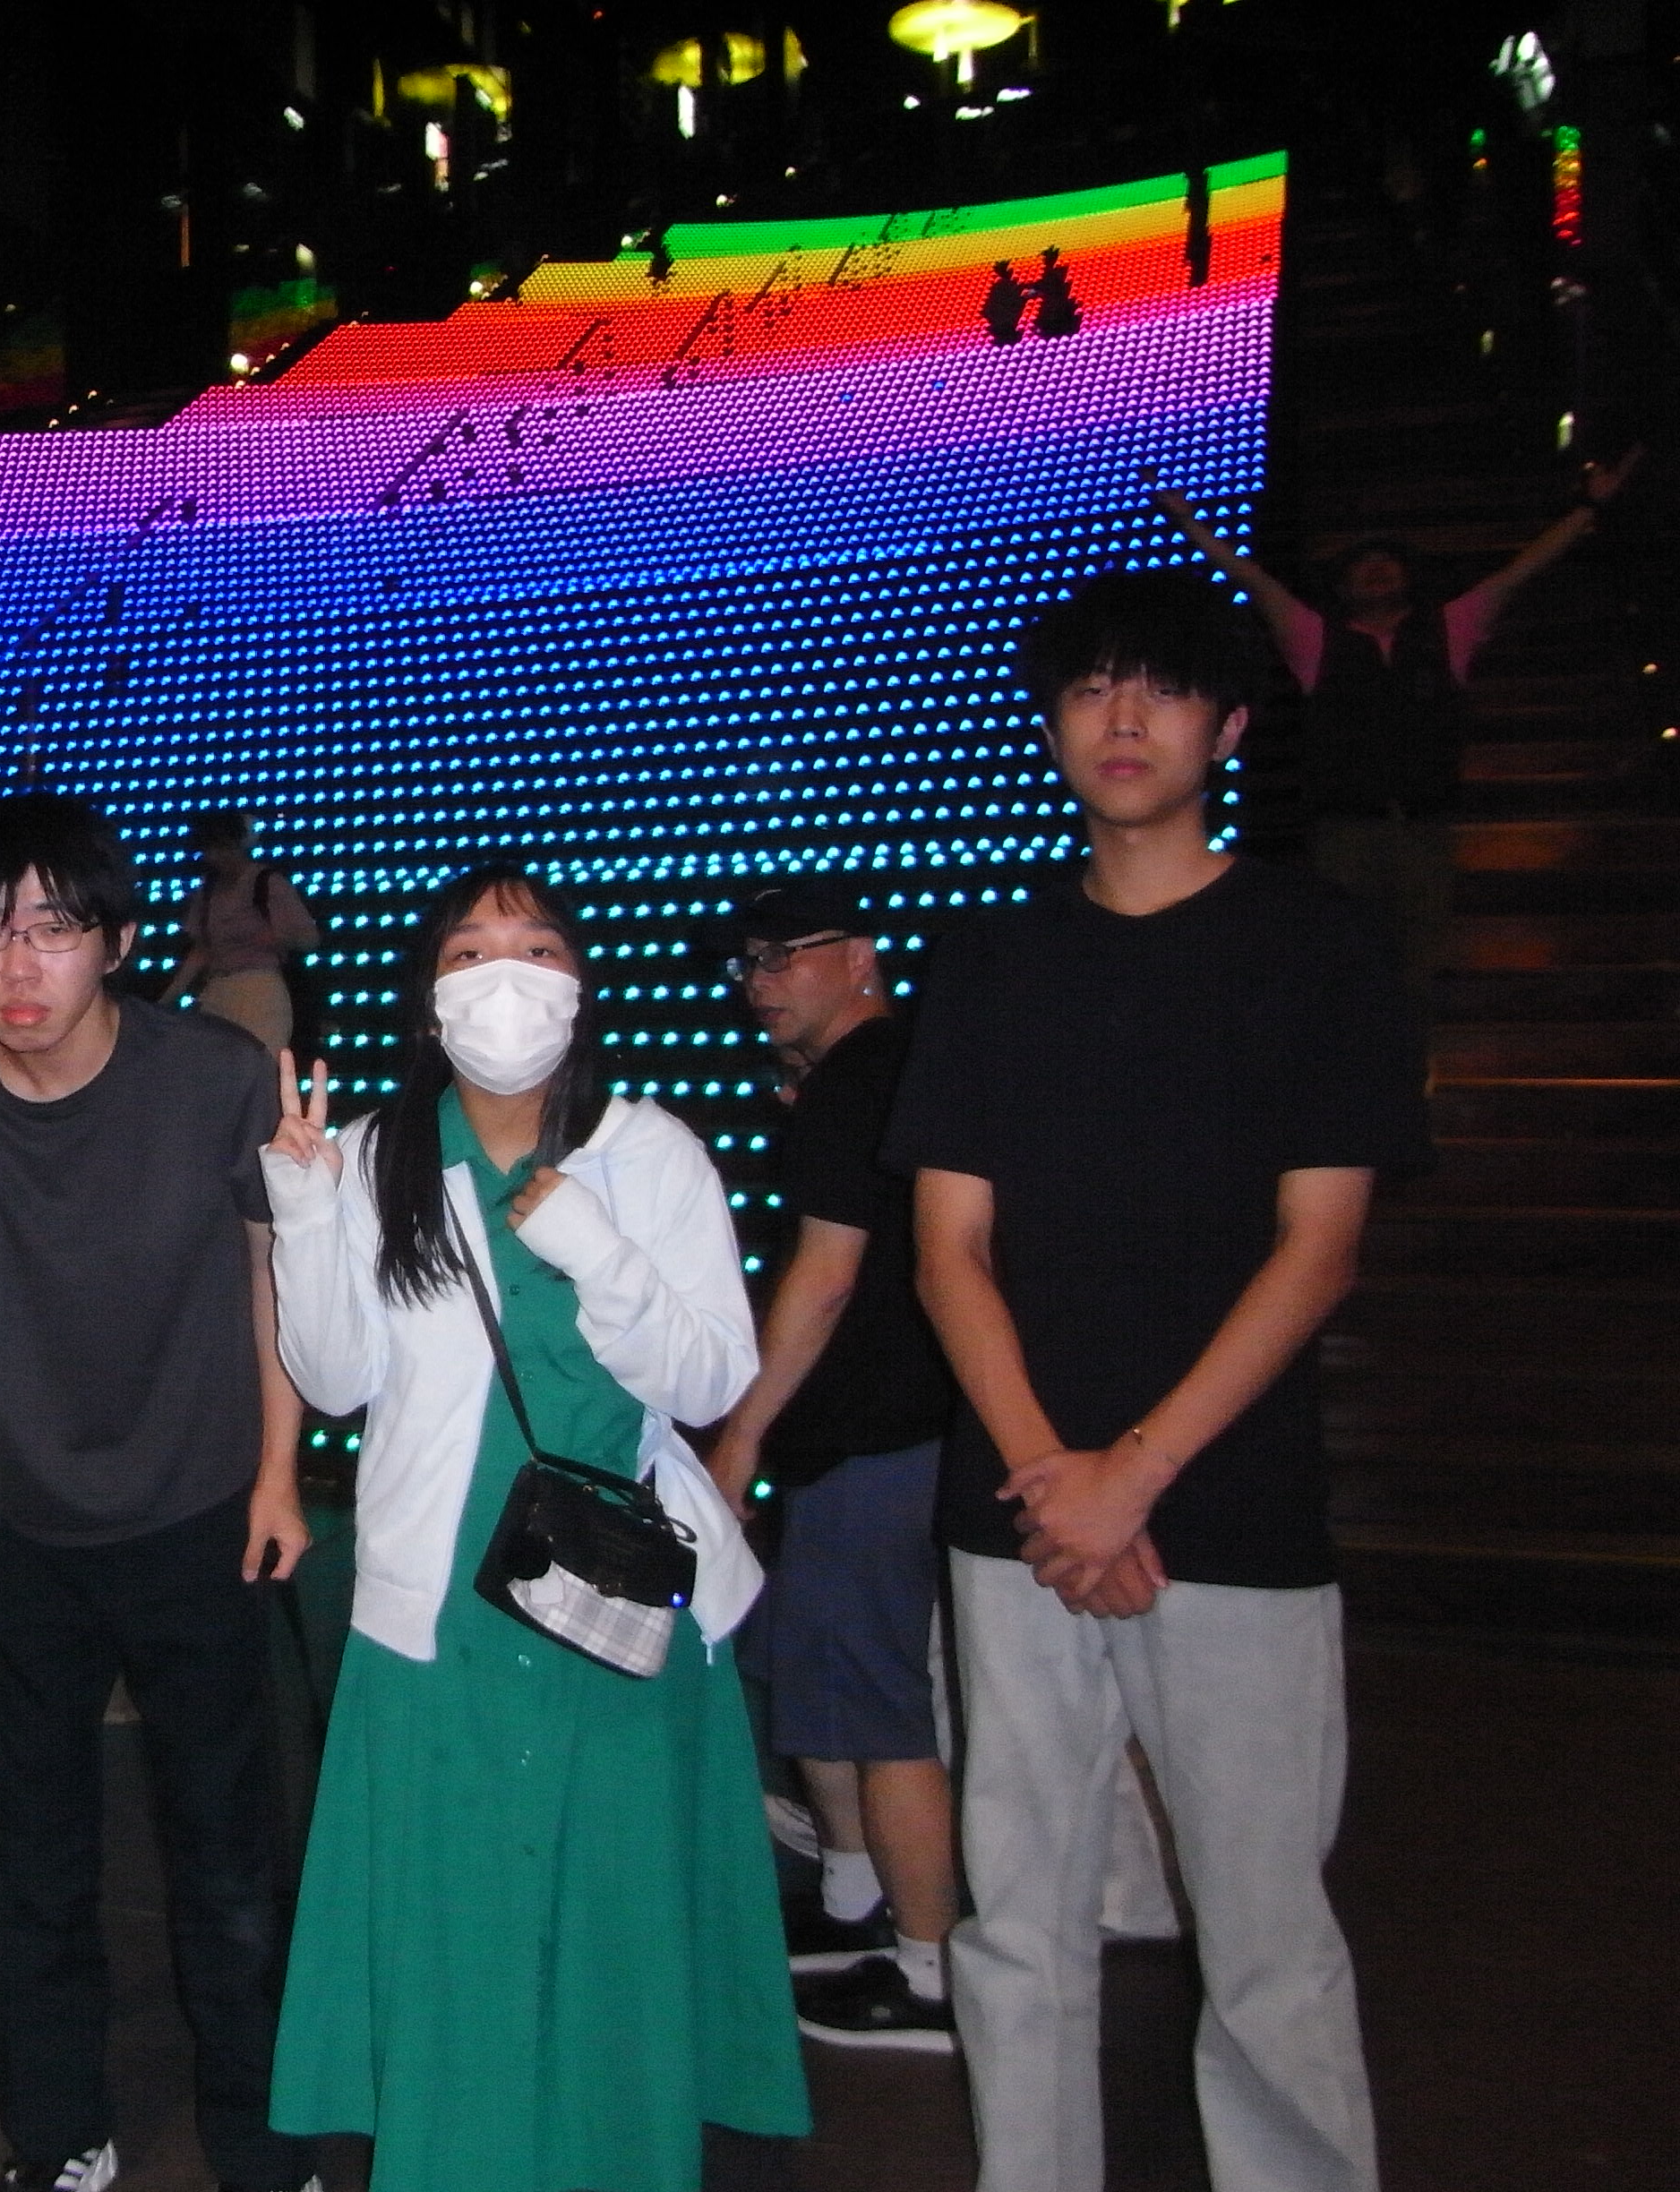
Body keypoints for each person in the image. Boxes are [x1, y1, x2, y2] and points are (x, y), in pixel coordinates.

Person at [886, 567, 1431, 2192]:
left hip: (1230, 1512)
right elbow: (948, 1252)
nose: (1121, 719)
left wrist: (1129, 1474)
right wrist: (1055, 1478)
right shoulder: (988, 958)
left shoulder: (1318, 944)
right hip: (1017, 1516)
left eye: (1162, 688)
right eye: (1088, 688)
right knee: (1016, 1920)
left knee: (1264, 1936)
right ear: (1050, 723)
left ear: (1228, 725)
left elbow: (1318, 1249)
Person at [262, 863, 807, 2192]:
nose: (504, 977)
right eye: (469, 952)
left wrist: (595, 1249)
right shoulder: (378, 1155)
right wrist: (304, 1210)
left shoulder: (649, 1151)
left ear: (578, 985)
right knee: (453, 1918)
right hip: (438, 1595)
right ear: (428, 998)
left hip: (612, 1598)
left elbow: (709, 1380)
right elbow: (335, 1378)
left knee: (608, 1911)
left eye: (537, 948)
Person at [0, 793, 318, 2192]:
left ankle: (259, 2137)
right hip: (36, 1530)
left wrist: (279, 1474)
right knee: (36, 1861)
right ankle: (59, 2134)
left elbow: (274, 1272)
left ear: (119, 943)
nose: (17, 966)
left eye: (54, 930)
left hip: (204, 1513)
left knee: (229, 1854)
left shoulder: (214, 1076)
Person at [703, 879, 961, 2054]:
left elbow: (827, 1276)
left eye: (782, 955)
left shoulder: (865, 1077)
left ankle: (929, 1967)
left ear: (859, 955)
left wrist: (743, 1431)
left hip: (876, 1431)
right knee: (820, 1674)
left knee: (876, 1703)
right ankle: (858, 1905)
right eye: (747, 962)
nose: (759, 981)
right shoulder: (873, 1077)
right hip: (869, 1430)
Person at [1147, 447, 1644, 989]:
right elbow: (1251, 579)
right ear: (1343, 586)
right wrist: (1186, 520)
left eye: (1387, 561)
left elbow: (1519, 572)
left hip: (1423, 826)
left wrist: (1588, 510)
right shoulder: (1317, 639)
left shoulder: (1448, 629)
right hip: (1345, 829)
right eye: (1362, 565)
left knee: (1418, 966)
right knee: (1345, 961)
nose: (1377, 570)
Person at [161, 809, 321, 1053]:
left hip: (260, 989)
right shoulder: (207, 892)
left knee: (258, 1062)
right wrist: (168, 998)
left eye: (222, 848)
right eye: (210, 850)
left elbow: (309, 937)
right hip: (218, 992)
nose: (216, 857)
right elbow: (201, 950)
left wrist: (274, 938)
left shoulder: (267, 883)